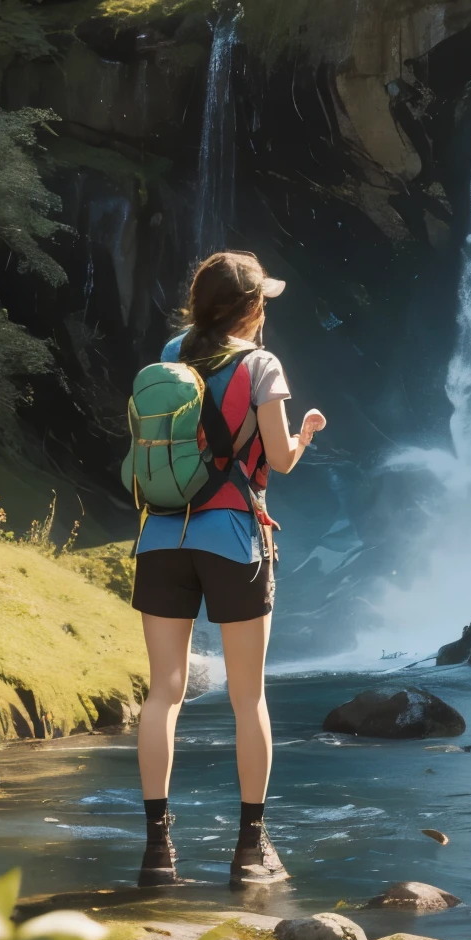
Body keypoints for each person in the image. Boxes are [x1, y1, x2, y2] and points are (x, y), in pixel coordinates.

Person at [130, 250, 325, 890]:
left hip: (160, 535)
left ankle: (158, 853)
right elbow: (281, 461)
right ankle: (251, 850)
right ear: (250, 307)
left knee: (164, 692)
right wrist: (307, 433)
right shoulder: (262, 365)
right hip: (234, 537)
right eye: (261, 298)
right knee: (248, 698)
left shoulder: (169, 353)